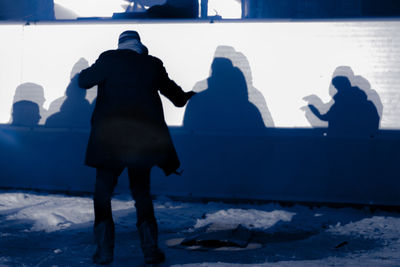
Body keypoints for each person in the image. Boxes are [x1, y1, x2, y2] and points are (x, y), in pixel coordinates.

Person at [78, 30, 195, 265]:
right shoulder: (151, 64)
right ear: (140, 45)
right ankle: (150, 250)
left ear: (120, 45)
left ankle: (104, 251)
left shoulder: (108, 59)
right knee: (141, 193)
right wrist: (189, 95)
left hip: (109, 142)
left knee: (103, 193)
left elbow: (84, 81)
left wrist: (97, 66)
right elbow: (176, 96)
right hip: (142, 142)